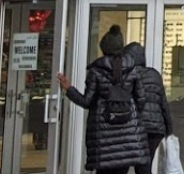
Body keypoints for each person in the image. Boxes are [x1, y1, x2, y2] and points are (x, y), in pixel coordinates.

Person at [58, 26, 149, 174]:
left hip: (103, 138)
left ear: (104, 48)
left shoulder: (96, 71)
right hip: (128, 136)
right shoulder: (133, 69)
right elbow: (141, 99)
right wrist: (130, 113)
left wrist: (68, 89)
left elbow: (87, 101)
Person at [125, 42, 173, 174]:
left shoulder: (129, 75)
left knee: (125, 165)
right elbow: (163, 104)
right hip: (155, 130)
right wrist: (169, 130)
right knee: (145, 166)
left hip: (135, 127)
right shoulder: (155, 75)